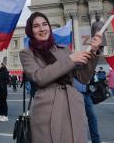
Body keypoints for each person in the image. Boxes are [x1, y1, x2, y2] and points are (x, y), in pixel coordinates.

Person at [19, 12, 102, 143]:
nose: (42, 29)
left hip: (73, 106)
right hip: (47, 110)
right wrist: (70, 60)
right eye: (36, 26)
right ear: (31, 31)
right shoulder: (27, 53)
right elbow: (38, 77)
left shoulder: (64, 50)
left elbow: (83, 78)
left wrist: (94, 51)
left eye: (45, 24)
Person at [73, 78, 101, 143]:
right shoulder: (71, 68)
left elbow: (94, 80)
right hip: (74, 93)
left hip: (86, 93)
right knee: (75, 118)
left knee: (92, 118)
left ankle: (96, 141)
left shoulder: (86, 68)